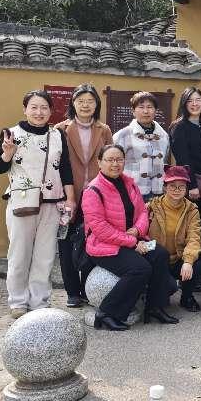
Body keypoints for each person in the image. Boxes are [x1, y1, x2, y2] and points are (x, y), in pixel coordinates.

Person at [0, 90, 77, 317]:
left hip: (53, 202)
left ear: (51, 111)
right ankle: (18, 302)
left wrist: (70, 198)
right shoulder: (11, 133)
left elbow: (65, 168)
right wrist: (7, 154)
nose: (39, 112)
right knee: (19, 253)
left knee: (45, 255)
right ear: (25, 109)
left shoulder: (58, 135)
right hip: (22, 202)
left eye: (44, 108)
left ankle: (39, 302)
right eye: (34, 107)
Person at [81, 144, 178, 330]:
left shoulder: (130, 183)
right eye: (110, 160)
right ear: (99, 162)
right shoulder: (92, 191)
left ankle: (155, 307)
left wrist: (137, 230)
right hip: (104, 246)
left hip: (132, 240)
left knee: (160, 254)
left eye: (119, 159)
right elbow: (100, 229)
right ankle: (107, 313)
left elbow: (142, 212)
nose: (115, 164)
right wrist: (132, 242)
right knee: (140, 268)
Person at [54, 83, 112, 308]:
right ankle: (72, 291)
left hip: (96, 196)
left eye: (90, 101)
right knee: (66, 242)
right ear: (73, 103)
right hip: (67, 195)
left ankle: (88, 288)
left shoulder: (104, 130)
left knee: (92, 241)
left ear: (96, 104)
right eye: (81, 101)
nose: (85, 105)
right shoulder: (60, 129)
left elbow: (110, 161)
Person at [147, 166, 201, 313]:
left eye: (181, 187)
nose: (177, 190)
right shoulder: (152, 207)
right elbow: (142, 234)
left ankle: (187, 297)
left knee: (196, 264)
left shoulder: (192, 210)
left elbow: (194, 237)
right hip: (157, 260)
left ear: (186, 189)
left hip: (178, 258)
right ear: (165, 187)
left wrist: (188, 261)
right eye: (172, 186)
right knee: (169, 289)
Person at [113, 91, 170, 202]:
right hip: (132, 191)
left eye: (150, 107)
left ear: (155, 111)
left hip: (158, 192)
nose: (145, 111)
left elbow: (165, 162)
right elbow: (114, 163)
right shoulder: (123, 135)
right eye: (141, 107)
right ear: (133, 111)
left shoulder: (163, 136)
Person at [169, 86, 201, 208]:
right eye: (190, 100)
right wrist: (192, 185)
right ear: (184, 103)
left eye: (198, 100)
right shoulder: (179, 127)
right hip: (190, 185)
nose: (195, 104)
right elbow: (183, 160)